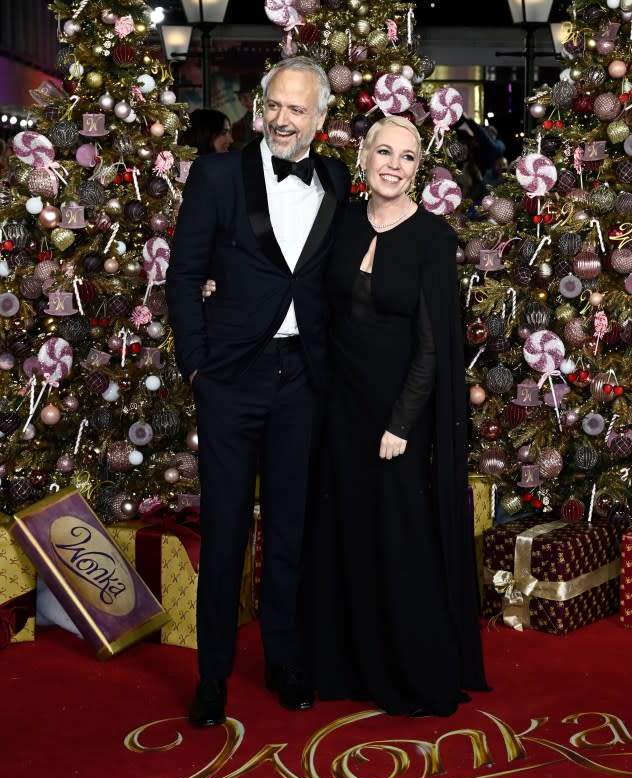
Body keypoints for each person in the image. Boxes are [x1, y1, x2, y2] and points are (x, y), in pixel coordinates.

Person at [165, 56, 351, 728]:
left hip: (303, 379)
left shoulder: (336, 178)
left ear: (321, 119)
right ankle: (211, 674)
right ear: (259, 107)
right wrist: (195, 367)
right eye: (273, 104)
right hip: (230, 380)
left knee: (292, 531)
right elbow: (183, 277)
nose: (280, 118)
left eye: (297, 108)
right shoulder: (216, 175)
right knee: (223, 536)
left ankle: (284, 658)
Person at [307, 115, 490, 717]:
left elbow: (434, 345)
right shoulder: (341, 221)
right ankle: (344, 665)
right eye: (382, 151)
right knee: (346, 533)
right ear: (361, 157)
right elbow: (309, 299)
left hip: (395, 413)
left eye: (407, 157)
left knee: (397, 537)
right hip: (336, 405)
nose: (393, 164)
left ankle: (408, 669)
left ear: (419, 166)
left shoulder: (433, 237)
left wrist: (401, 425)